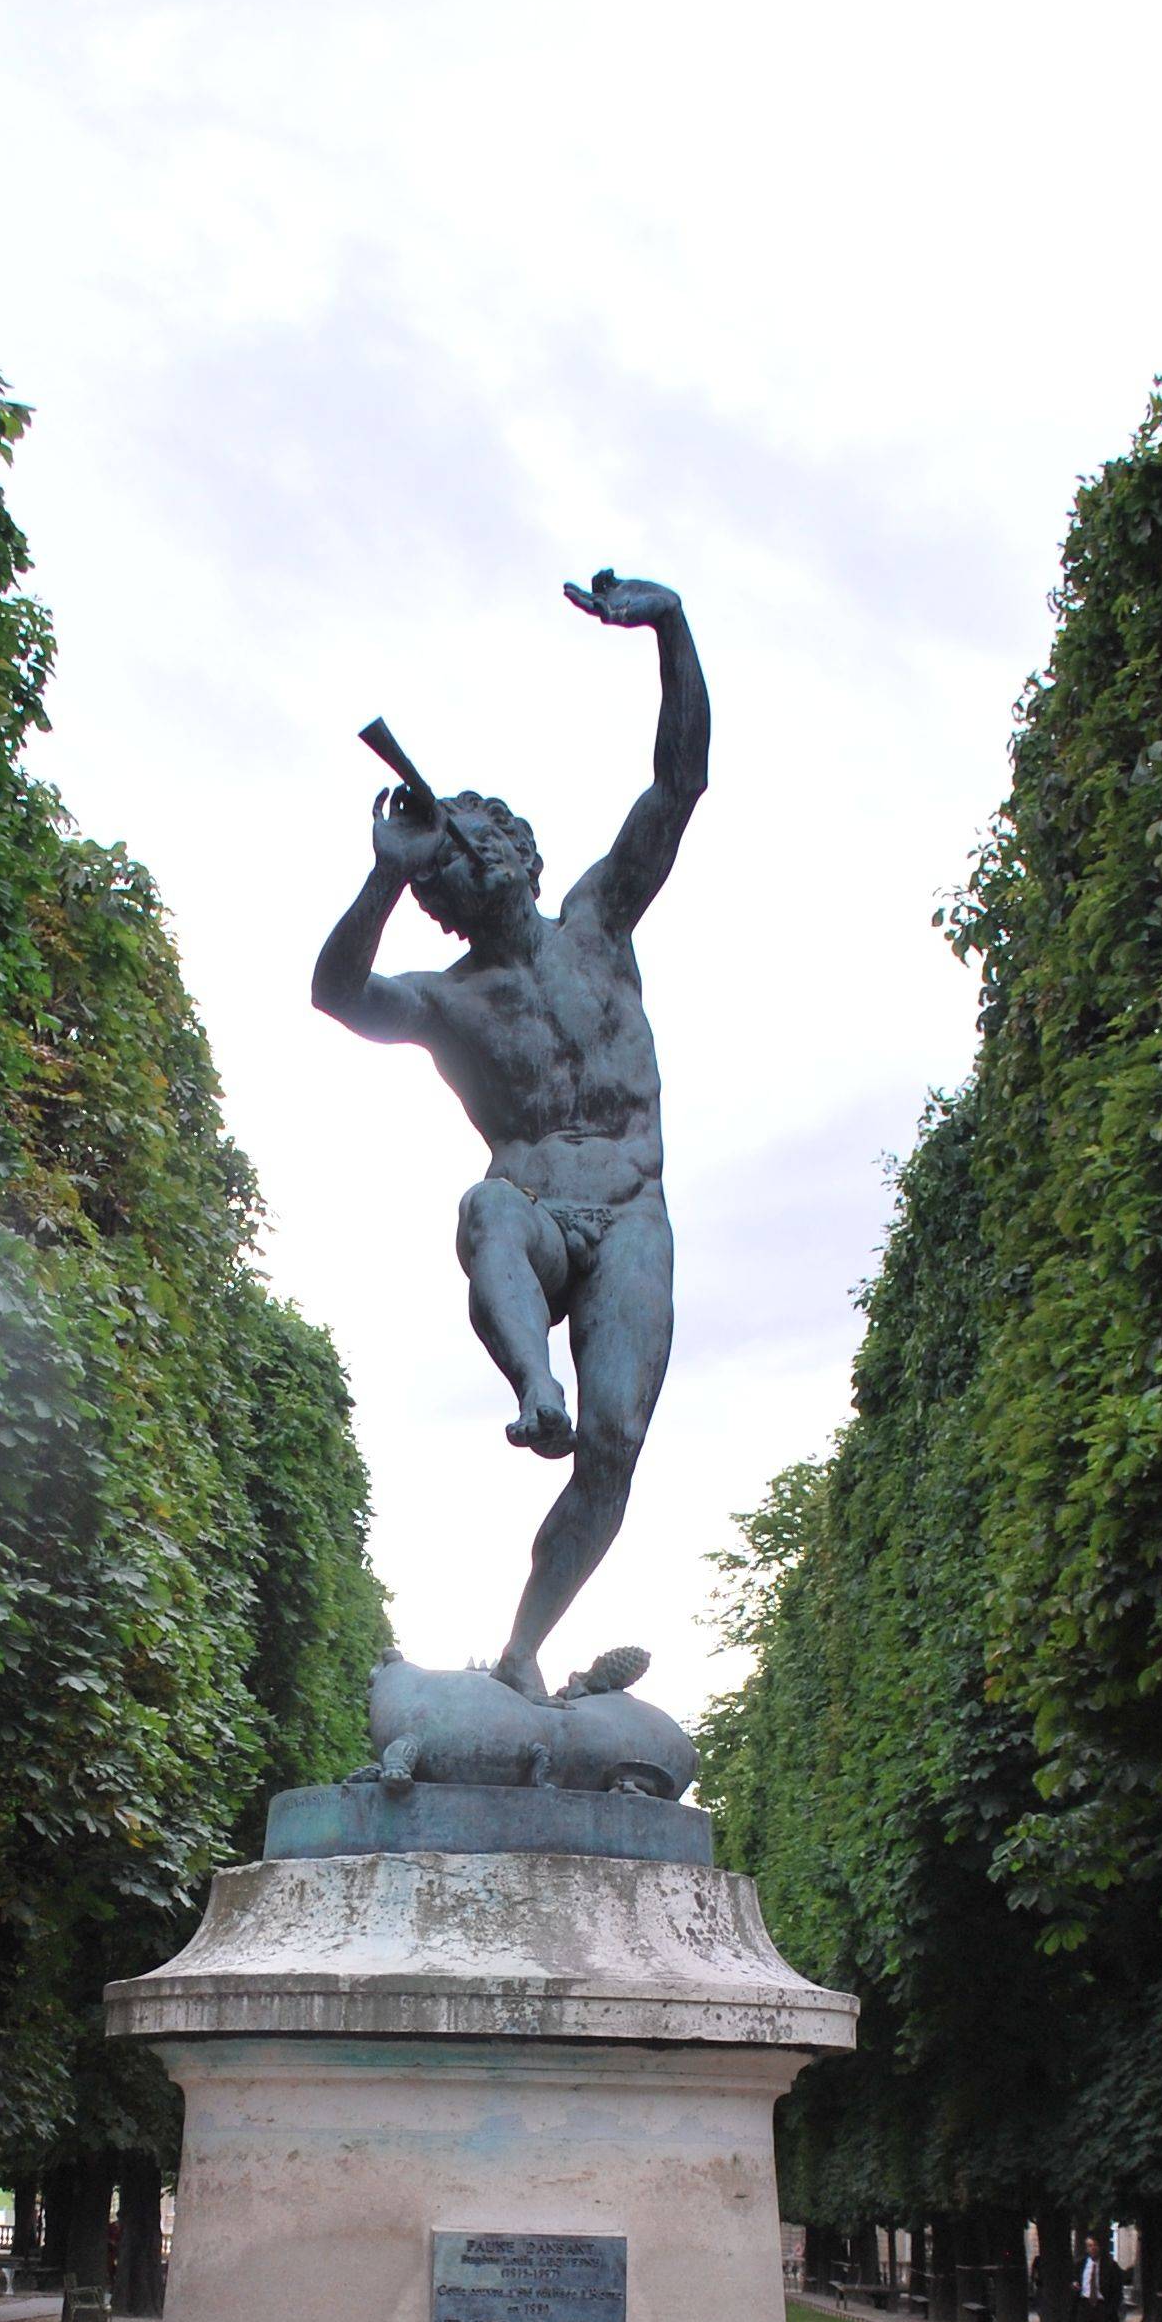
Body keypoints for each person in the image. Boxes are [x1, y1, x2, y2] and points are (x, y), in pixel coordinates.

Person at [311, 570, 709, 1699]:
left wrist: (670, 627)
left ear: (522, 851)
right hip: (531, 1211)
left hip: (633, 1209)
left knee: (618, 1441)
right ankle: (534, 1387)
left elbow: (680, 783)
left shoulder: (601, 922)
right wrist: (384, 876)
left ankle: (527, 1643)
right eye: (445, 863)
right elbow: (336, 993)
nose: (462, 864)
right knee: (483, 1209)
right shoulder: (448, 1000)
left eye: (473, 841)